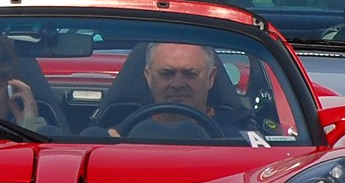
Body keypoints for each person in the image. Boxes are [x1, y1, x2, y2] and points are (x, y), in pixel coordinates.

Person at [102, 42, 256, 139]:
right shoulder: (118, 139)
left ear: (210, 77)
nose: (177, 84)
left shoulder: (239, 141)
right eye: (166, 74)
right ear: (148, 77)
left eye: (190, 74)